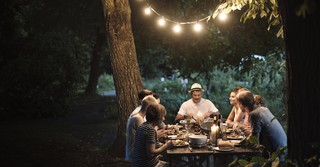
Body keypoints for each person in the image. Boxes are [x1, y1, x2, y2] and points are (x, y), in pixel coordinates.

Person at [236, 90, 287, 162]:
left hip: (276, 158)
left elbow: (254, 142)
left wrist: (239, 144)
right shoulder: (263, 109)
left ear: (242, 104)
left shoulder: (254, 114)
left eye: (238, 104)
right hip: (283, 152)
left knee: (242, 160)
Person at [125, 95, 158, 161]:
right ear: (148, 107)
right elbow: (148, 136)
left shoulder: (141, 117)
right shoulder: (137, 119)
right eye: (154, 108)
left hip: (139, 151)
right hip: (135, 154)